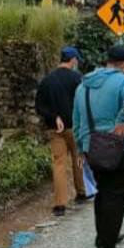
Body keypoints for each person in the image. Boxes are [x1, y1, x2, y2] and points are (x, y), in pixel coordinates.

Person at [73, 45, 124, 248]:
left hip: (92, 146)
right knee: (117, 196)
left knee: (103, 193)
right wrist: (122, 119)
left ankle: (103, 235)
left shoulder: (83, 86)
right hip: (119, 147)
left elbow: (76, 119)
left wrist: (80, 147)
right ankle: (107, 245)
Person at [35, 46, 89, 217]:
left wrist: (54, 117)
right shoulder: (77, 79)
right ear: (72, 59)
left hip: (54, 128)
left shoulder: (47, 80)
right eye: (77, 59)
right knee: (78, 158)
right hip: (75, 127)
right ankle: (81, 193)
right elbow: (83, 103)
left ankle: (60, 204)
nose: (77, 62)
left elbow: (39, 106)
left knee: (58, 164)